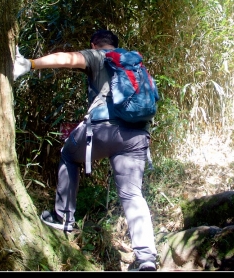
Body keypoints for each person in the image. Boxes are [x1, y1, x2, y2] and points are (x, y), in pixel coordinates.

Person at [12, 30, 158, 271]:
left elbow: (66, 58)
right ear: (116, 44)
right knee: (132, 194)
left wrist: (30, 63)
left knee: (69, 155)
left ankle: (64, 217)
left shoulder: (97, 55)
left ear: (93, 44)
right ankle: (146, 259)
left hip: (104, 129)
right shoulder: (134, 62)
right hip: (138, 135)